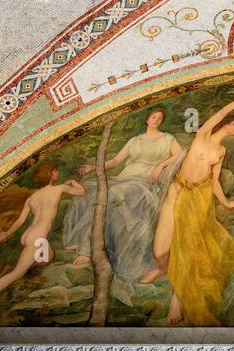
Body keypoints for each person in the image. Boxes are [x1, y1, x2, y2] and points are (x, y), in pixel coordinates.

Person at [150, 88, 234, 325]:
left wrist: (225, 201)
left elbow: (214, 181)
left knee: (188, 245)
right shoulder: (203, 135)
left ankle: (177, 298)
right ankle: (167, 269)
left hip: (199, 199)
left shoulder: (222, 151)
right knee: (160, 250)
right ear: (227, 124)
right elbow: (222, 111)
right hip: (178, 191)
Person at [65, 108, 183, 282]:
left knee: (112, 193)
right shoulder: (135, 140)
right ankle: (84, 235)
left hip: (144, 181)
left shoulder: (167, 139)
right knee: (90, 190)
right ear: (147, 119)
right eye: (153, 117)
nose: (156, 120)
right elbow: (115, 161)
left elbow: (180, 154)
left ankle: (86, 246)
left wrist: (161, 165)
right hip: (125, 177)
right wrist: (93, 167)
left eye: (159, 118)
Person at [0, 165, 85, 318]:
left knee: (48, 256)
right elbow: (82, 192)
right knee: (17, 273)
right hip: (37, 238)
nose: (58, 172)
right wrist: (73, 181)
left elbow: (20, 221)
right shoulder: (59, 188)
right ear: (49, 174)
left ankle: (20, 267)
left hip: (33, 236)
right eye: (55, 171)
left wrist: (5, 235)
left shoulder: (32, 198)